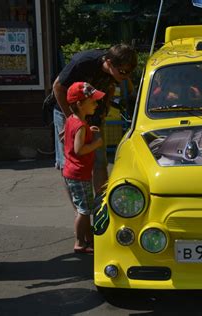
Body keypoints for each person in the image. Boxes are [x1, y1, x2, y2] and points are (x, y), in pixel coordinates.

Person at [53, 44, 137, 195]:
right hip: (67, 111)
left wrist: (105, 109)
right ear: (109, 62)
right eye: (124, 72)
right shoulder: (84, 62)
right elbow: (57, 87)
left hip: (93, 113)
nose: (126, 76)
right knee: (70, 163)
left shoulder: (116, 70)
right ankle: (81, 210)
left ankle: (100, 205)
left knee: (99, 161)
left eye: (130, 72)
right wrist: (72, 120)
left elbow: (111, 87)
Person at [63, 82, 105, 253]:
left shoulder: (73, 120)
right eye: (93, 101)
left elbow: (72, 137)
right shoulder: (80, 125)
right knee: (84, 210)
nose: (96, 104)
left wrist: (89, 129)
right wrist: (97, 143)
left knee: (84, 207)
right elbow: (79, 149)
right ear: (80, 104)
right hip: (79, 174)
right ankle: (80, 242)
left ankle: (87, 239)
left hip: (73, 172)